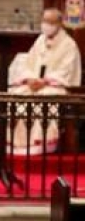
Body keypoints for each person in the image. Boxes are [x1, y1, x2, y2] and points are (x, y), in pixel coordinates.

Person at [7, 8, 82, 155]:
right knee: (17, 96)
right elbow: (27, 63)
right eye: (45, 21)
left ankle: (40, 144)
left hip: (56, 86)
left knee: (43, 101)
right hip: (34, 84)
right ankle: (18, 144)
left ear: (60, 23)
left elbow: (66, 71)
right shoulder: (39, 41)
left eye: (51, 22)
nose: (46, 25)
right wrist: (29, 79)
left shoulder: (69, 45)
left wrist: (45, 81)